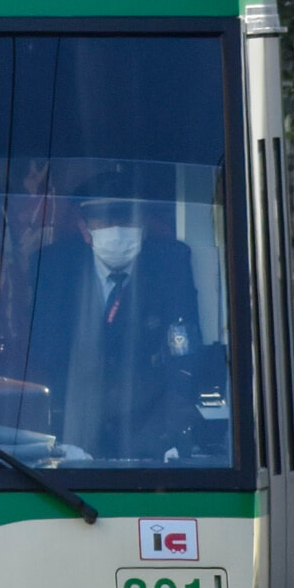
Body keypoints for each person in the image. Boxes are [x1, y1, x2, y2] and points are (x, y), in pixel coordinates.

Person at [26, 164, 207, 463]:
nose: (117, 227)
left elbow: (183, 350)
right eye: (105, 218)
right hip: (70, 425)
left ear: (144, 225)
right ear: (84, 228)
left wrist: (174, 434)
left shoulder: (171, 262)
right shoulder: (53, 267)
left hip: (149, 429)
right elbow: (41, 357)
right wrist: (52, 437)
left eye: (126, 217)